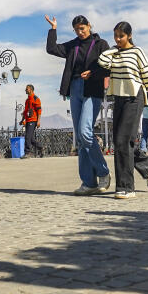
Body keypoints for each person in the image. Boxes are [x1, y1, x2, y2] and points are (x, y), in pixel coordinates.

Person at [97, 22, 148, 199]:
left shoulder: (137, 52)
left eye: (121, 36)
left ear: (130, 35)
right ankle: (147, 164)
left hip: (135, 97)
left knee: (123, 140)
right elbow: (102, 61)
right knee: (120, 141)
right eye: (115, 36)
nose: (118, 39)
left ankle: (126, 187)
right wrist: (114, 49)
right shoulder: (115, 53)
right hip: (118, 98)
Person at [45, 14, 112, 195]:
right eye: (76, 30)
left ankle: (104, 172)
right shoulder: (73, 45)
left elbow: (108, 66)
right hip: (75, 89)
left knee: (85, 131)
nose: (80, 32)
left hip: (93, 89)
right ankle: (88, 182)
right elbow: (51, 49)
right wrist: (53, 29)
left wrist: (93, 72)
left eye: (82, 28)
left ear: (89, 26)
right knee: (80, 138)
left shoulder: (101, 44)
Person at [21, 85, 43, 158]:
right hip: (27, 121)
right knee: (31, 138)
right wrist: (22, 120)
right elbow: (25, 111)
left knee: (27, 137)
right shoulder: (27, 101)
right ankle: (40, 147)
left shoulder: (36, 99)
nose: (25, 90)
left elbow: (39, 111)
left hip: (33, 121)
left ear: (31, 90)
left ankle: (27, 153)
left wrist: (38, 121)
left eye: (27, 89)